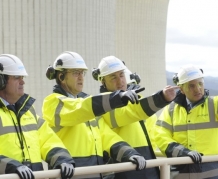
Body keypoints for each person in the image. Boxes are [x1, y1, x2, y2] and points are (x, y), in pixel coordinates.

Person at [42, 51, 147, 179]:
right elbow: (79, 109)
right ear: (61, 77)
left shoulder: (85, 105)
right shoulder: (52, 102)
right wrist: (116, 98)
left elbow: (106, 136)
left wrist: (129, 153)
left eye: (82, 73)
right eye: (76, 73)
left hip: (94, 173)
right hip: (70, 174)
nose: (81, 77)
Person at [92, 55, 179, 179]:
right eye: (113, 77)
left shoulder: (131, 101)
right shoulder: (104, 105)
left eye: (121, 75)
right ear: (103, 81)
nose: (120, 81)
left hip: (147, 166)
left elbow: (153, 136)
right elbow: (128, 113)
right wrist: (161, 98)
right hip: (123, 169)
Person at [0, 54, 75, 179]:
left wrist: (63, 159)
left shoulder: (29, 112)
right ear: (1, 81)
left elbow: (48, 140)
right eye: (17, 77)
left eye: (22, 77)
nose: (23, 81)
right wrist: (11, 166)